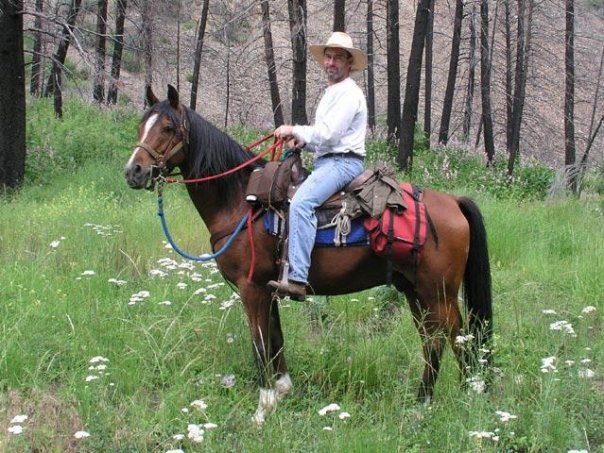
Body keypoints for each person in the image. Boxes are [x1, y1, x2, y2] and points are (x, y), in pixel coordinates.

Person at [267, 31, 368, 300]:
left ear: (349, 64)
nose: (331, 63)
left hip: (343, 164)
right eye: (328, 57)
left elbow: (330, 135)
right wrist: (301, 142)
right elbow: (324, 140)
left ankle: (298, 278)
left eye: (337, 58)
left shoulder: (349, 94)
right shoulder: (333, 93)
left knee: (301, 203)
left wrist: (294, 129)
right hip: (330, 161)